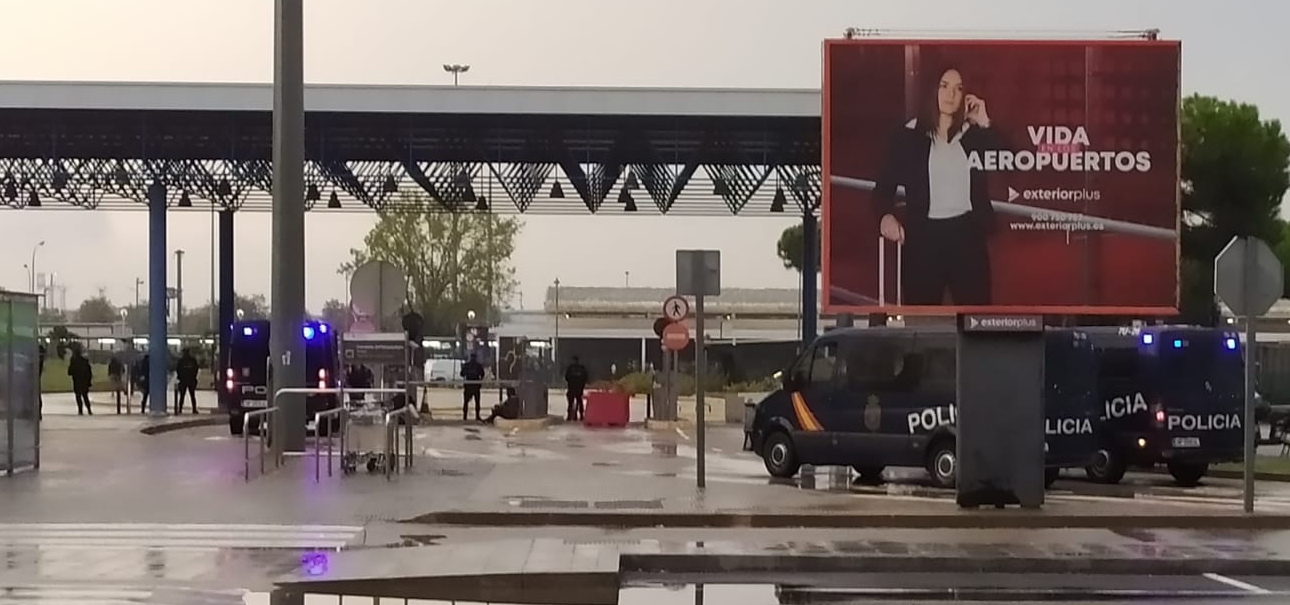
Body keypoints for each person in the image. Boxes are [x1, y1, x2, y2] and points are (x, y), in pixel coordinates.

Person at [873, 63, 999, 306]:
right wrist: (885, 217)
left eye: (958, 88)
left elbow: (1013, 160)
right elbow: (882, 191)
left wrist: (985, 122)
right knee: (923, 317)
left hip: (968, 237)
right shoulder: (907, 135)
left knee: (978, 318)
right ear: (933, 90)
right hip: (923, 240)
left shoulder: (975, 134)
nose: (951, 95)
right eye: (944, 86)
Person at [67, 347, 93, 416]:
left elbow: (69, 372)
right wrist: (89, 381)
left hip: (77, 381)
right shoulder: (85, 361)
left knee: (78, 396)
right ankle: (89, 410)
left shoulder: (74, 362)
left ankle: (80, 410)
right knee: (85, 396)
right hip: (84, 381)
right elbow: (89, 373)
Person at [460, 353, 485, 421]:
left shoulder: (467, 365)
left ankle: (465, 416)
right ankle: (477, 416)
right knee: (477, 401)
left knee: (466, 401)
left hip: (468, 385)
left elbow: (462, 374)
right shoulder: (478, 366)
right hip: (476, 385)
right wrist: (479, 381)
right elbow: (482, 374)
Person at [174, 348, 200, 415]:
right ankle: (194, 409)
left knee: (182, 396)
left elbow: (178, 369)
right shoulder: (192, 360)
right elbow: (196, 369)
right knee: (192, 395)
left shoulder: (181, 361)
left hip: (183, 380)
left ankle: (180, 409)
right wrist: (193, 376)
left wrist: (180, 377)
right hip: (191, 380)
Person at [564, 355, 589, 421]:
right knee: (579, 402)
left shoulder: (570, 368)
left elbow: (566, 377)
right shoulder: (581, 368)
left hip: (571, 388)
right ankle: (581, 416)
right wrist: (582, 384)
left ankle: (570, 416)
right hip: (579, 388)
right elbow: (585, 378)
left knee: (571, 403)